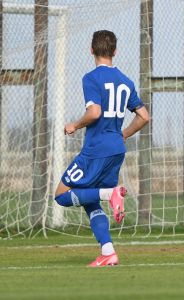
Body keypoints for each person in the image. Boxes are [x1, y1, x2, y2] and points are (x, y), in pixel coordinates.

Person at [53, 30, 149, 267]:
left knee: (62, 196)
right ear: (115, 52)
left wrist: (74, 124)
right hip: (116, 149)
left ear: (91, 50)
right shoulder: (126, 81)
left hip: (95, 150)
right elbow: (144, 116)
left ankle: (111, 194)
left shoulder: (91, 78)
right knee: (90, 200)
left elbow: (94, 112)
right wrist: (123, 134)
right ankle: (108, 252)